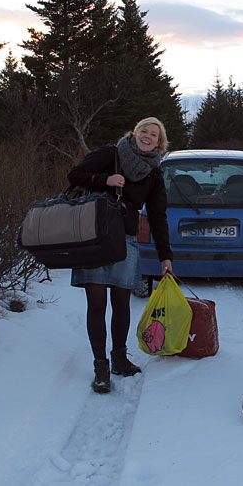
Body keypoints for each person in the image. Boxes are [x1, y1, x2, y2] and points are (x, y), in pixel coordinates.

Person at [68, 117, 173, 394]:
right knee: (97, 304)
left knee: (122, 303)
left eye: (154, 134)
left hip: (126, 240)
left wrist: (165, 256)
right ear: (134, 132)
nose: (147, 136)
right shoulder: (111, 154)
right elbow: (74, 176)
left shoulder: (153, 174)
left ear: (159, 143)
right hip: (94, 236)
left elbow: (158, 216)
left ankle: (119, 359)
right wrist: (105, 179)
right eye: (144, 131)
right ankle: (100, 367)